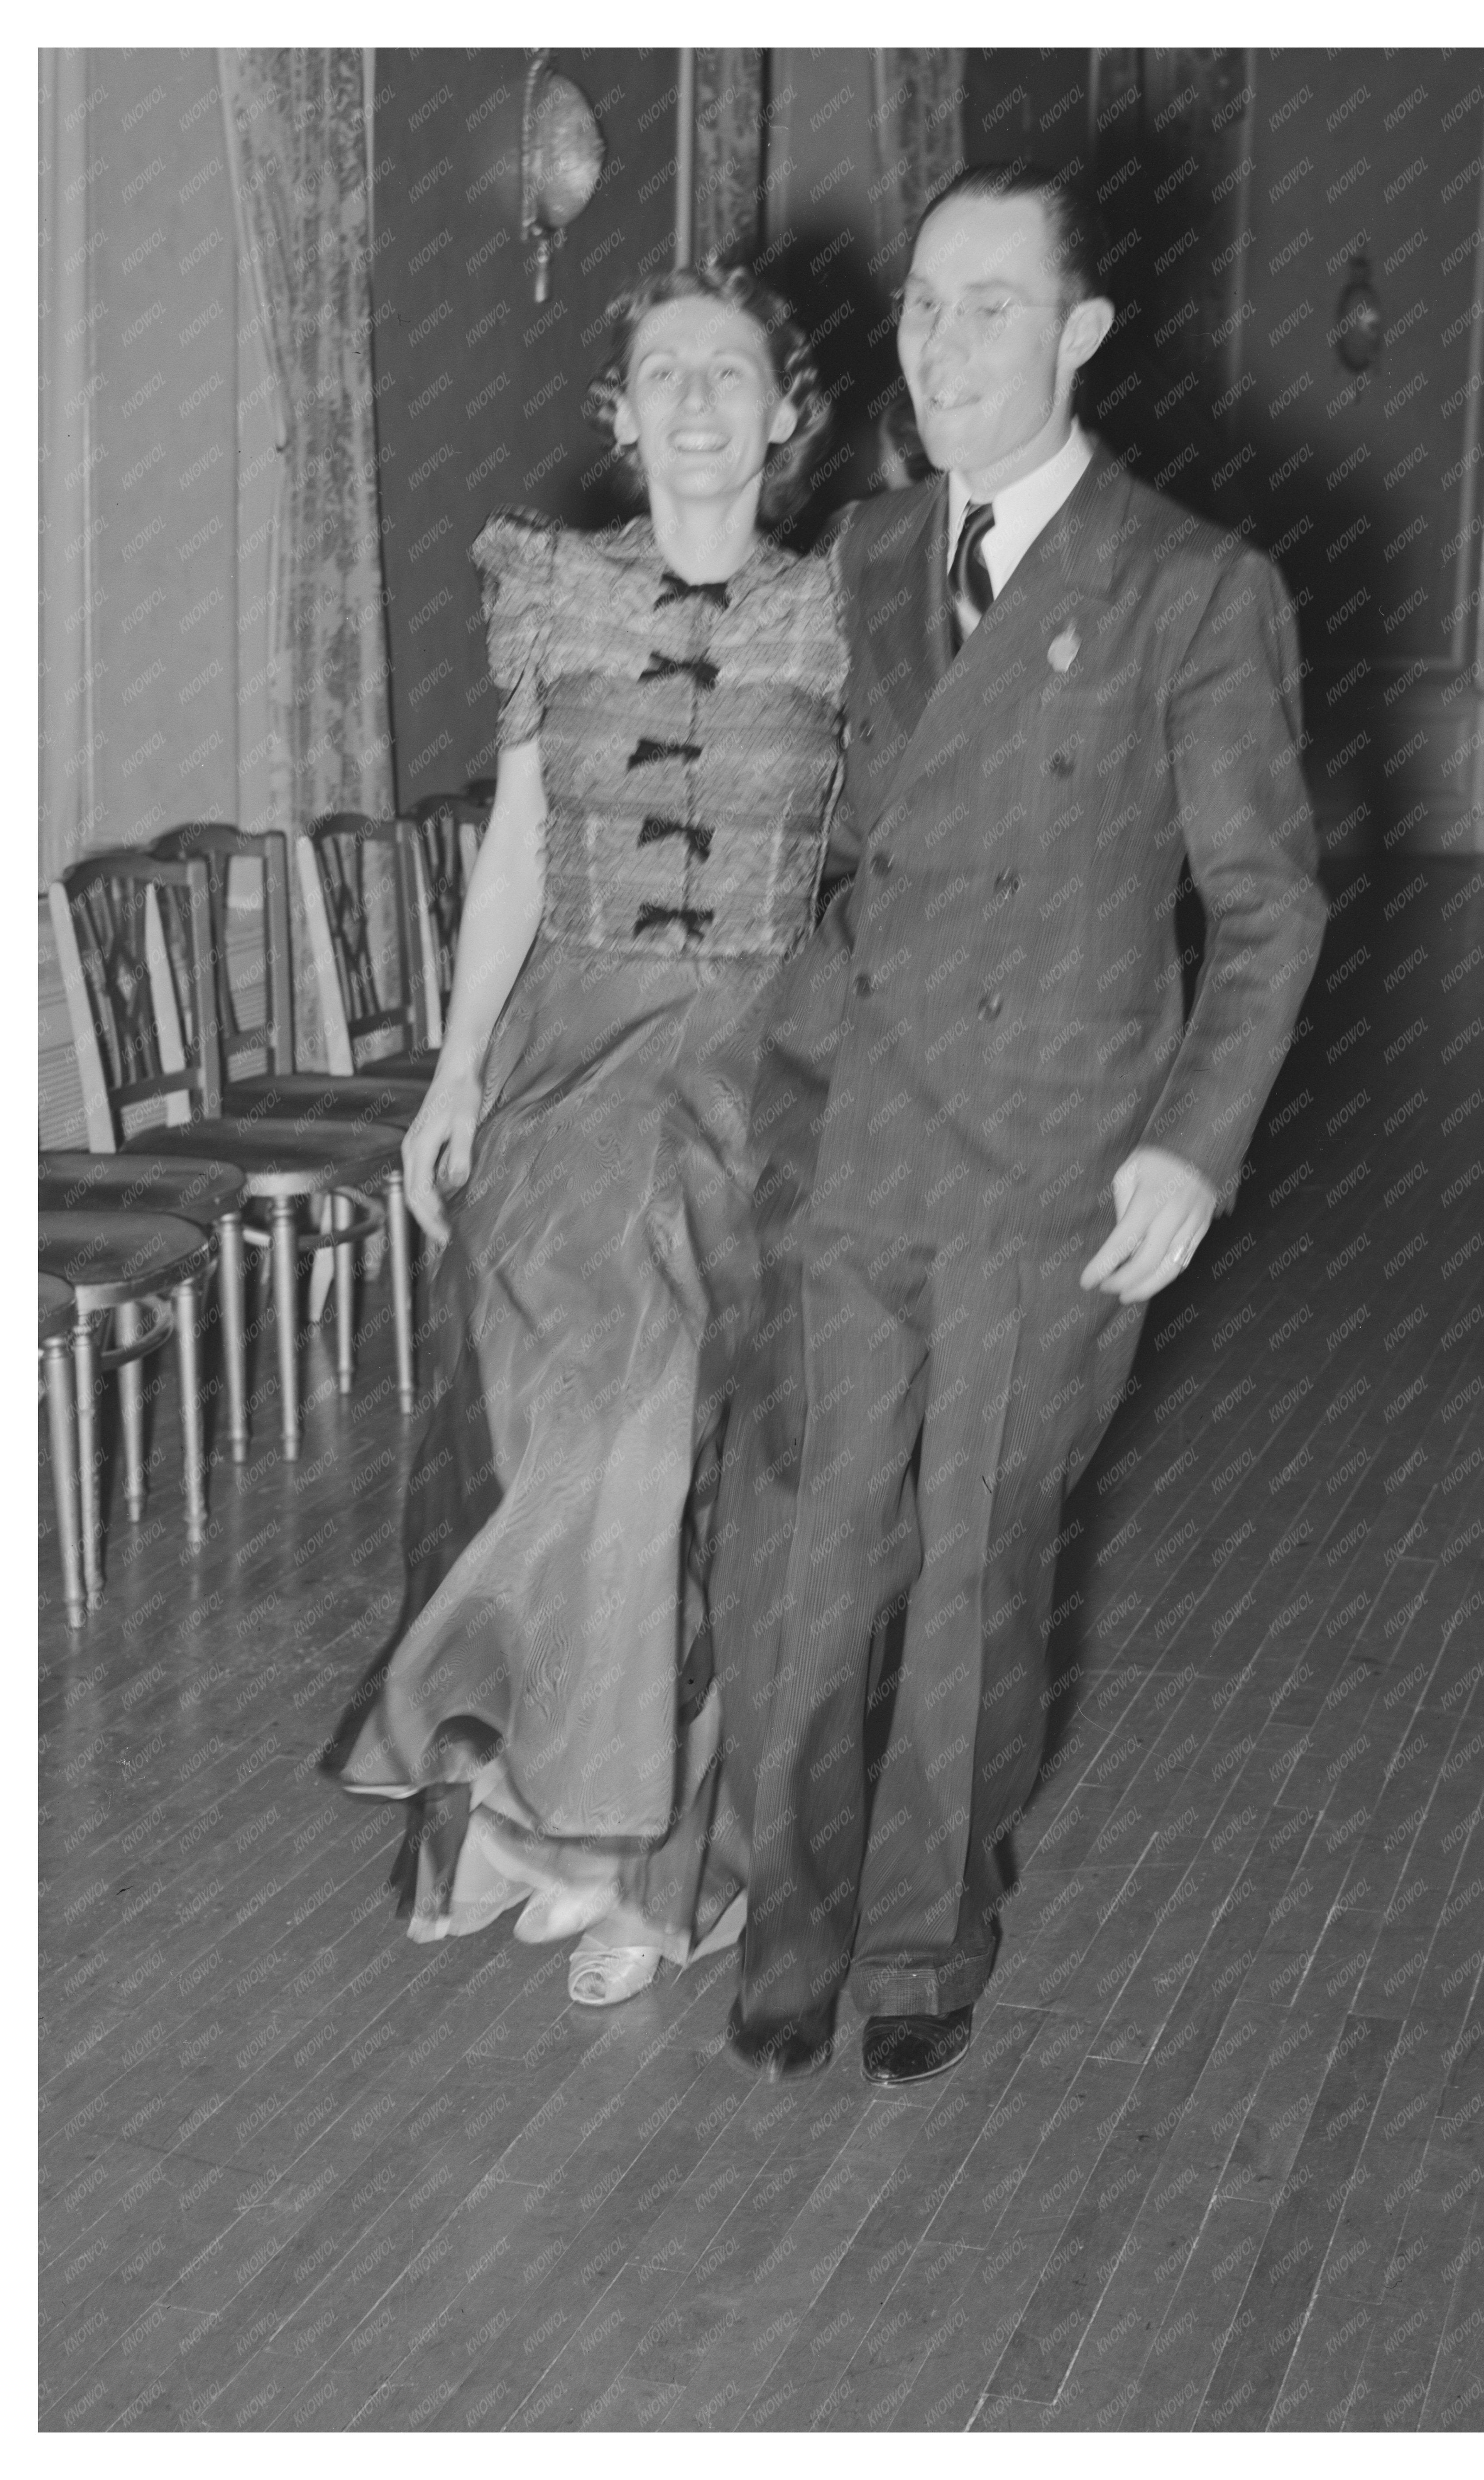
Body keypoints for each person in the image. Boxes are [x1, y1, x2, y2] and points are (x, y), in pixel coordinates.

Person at [710, 161, 1326, 2086]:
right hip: (848, 1147)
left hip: (1051, 1176)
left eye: (989, 307)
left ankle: (917, 1935)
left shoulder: (1190, 584)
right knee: (803, 1571)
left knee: (974, 1574)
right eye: (918, 306)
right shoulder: (866, 554)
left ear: (1077, 334)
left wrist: (1188, 1143)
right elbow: (795, 832)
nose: (942, 343)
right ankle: (789, 1916)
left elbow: (1267, 904)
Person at [327, 266, 844, 2006]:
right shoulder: (553, 592)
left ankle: (621, 1845)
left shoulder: (856, 611)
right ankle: (563, 1821)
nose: (696, 398)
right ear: (619, 415)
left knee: (679, 1457)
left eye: (732, 371)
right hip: (566, 1044)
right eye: (660, 373)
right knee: (567, 1432)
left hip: (760, 1061)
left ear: (788, 411)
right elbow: (517, 848)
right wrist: (453, 1071)